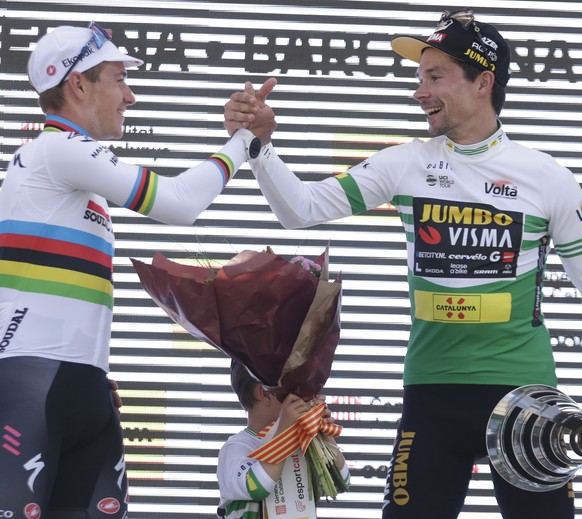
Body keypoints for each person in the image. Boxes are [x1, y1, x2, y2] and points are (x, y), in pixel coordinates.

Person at [223, 9, 582, 519]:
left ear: (484, 82)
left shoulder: (547, 178)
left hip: (524, 395)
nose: (420, 91)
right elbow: (299, 210)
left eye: (435, 77)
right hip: (433, 393)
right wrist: (259, 145)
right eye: (419, 77)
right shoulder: (407, 162)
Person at [0, 22, 272, 519]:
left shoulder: (65, 172)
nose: (131, 95)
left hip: (78, 383)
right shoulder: (56, 150)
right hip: (36, 386)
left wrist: (87, 370)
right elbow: (179, 202)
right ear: (78, 83)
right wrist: (240, 143)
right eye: (119, 80)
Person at [217, 360, 349, 519]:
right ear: (265, 393)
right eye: (292, 389)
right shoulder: (236, 448)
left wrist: (323, 433)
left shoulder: (299, 442)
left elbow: (341, 481)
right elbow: (257, 486)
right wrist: (284, 429)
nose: (303, 396)